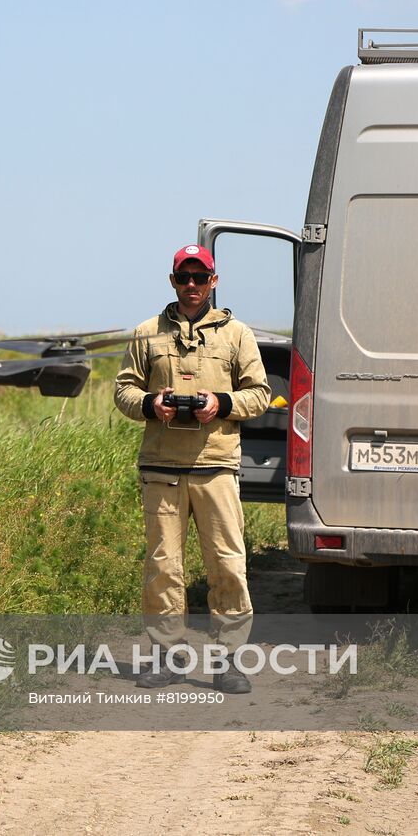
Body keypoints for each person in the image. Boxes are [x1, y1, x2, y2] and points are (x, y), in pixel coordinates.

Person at [114, 244, 270, 693]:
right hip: (161, 469)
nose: (192, 286)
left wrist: (220, 404)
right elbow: (124, 390)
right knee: (163, 565)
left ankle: (229, 661)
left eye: (200, 278)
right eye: (184, 277)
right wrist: (150, 404)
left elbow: (259, 394)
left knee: (227, 565)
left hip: (216, 467)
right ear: (172, 280)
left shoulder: (237, 334)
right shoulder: (146, 333)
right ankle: (165, 657)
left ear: (214, 282)